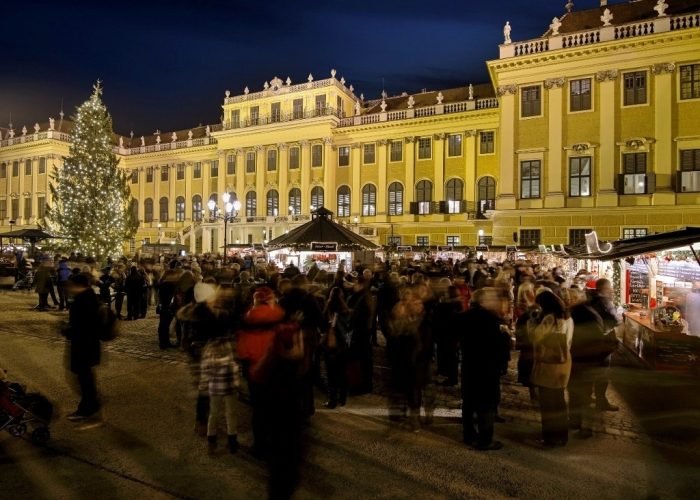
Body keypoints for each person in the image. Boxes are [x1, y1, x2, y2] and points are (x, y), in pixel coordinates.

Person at [458, 288, 510, 450]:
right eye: (492, 299)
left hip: (470, 365)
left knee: (469, 402)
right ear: (482, 301)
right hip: (487, 368)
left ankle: (469, 434)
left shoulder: (465, 317)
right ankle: (485, 439)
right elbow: (499, 345)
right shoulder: (492, 320)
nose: (495, 301)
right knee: (486, 404)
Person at [528, 289, 573, 447]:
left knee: (548, 404)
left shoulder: (549, 318)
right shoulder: (567, 317)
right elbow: (569, 340)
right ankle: (562, 435)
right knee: (559, 401)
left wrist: (532, 321)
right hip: (564, 361)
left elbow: (535, 336)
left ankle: (550, 438)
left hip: (549, 364)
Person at [568, 287, 607, 439]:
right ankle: (576, 422)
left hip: (583, 360)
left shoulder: (580, 312)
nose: (567, 299)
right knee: (577, 393)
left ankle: (585, 426)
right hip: (584, 359)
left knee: (582, 395)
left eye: (570, 297)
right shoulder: (588, 311)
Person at [63, 273, 102, 420]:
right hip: (88, 345)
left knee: (84, 378)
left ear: (79, 285)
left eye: (71, 285)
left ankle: (87, 408)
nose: (69, 288)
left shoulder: (83, 300)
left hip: (84, 346)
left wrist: (67, 330)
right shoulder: (89, 297)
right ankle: (91, 403)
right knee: (85, 377)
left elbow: (83, 326)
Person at [200, 332, 239, 454]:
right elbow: (232, 365)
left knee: (216, 413)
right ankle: (229, 440)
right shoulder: (225, 346)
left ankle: (213, 438)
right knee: (228, 413)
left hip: (218, 385)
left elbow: (206, 368)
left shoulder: (210, 348)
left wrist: (203, 384)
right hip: (226, 385)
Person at [589, 278, 621, 411]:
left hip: (591, 342)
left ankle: (588, 396)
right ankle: (601, 401)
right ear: (604, 289)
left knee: (592, 371)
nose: (611, 290)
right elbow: (615, 320)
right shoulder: (605, 302)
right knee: (602, 373)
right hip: (603, 342)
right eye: (609, 288)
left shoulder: (590, 299)